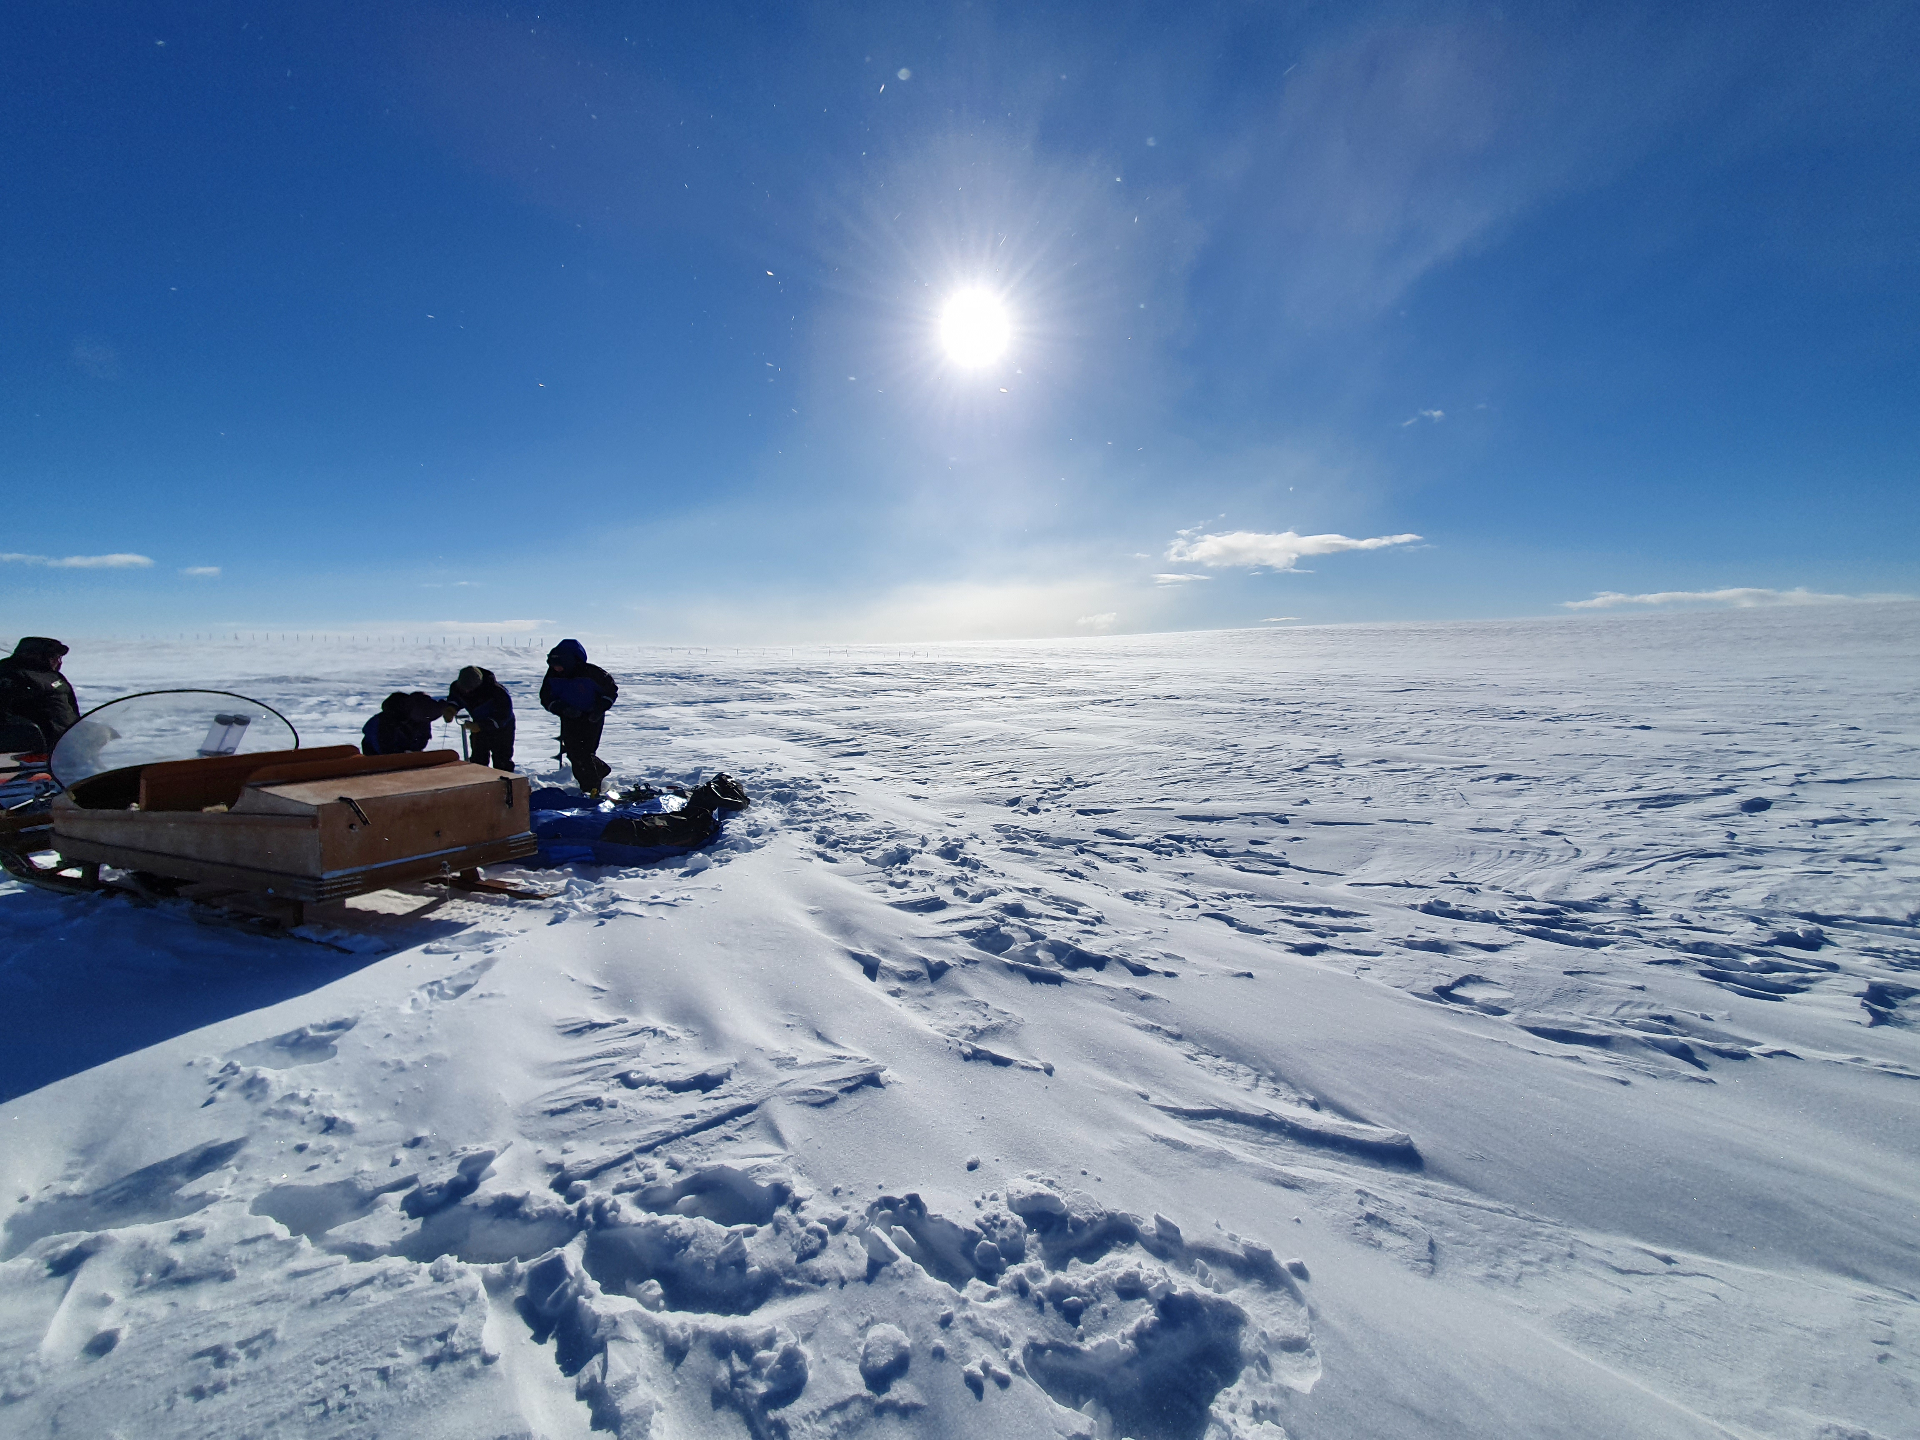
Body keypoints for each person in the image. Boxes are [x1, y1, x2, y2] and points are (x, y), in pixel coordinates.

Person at [539, 639, 617, 796]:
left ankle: (591, 788)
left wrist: (600, 708)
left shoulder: (593, 673)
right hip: (570, 718)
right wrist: (563, 709)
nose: (556, 668)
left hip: (591, 718)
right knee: (574, 753)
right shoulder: (552, 676)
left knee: (585, 754)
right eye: (553, 665)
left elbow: (611, 691)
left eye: (559, 665)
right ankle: (596, 776)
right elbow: (546, 698)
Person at [0, 636, 80, 751]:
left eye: (59, 657)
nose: (58, 662)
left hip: (69, 743)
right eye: (53, 657)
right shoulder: (9, 675)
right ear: (36, 656)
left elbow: (70, 704)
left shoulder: (53, 675)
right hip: (36, 752)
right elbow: (4, 717)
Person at [443, 664, 515, 771]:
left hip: (502, 730)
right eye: (463, 689)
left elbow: (502, 717)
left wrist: (480, 726)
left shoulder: (497, 692)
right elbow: (455, 699)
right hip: (478, 726)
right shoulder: (457, 688)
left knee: (502, 761)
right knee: (478, 760)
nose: (466, 692)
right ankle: (479, 782)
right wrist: (451, 709)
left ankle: (505, 785)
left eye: (469, 689)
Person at [361, 691, 443, 756]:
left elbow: (422, 740)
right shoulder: (384, 721)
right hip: (376, 756)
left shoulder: (422, 719)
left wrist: (413, 753)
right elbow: (381, 744)